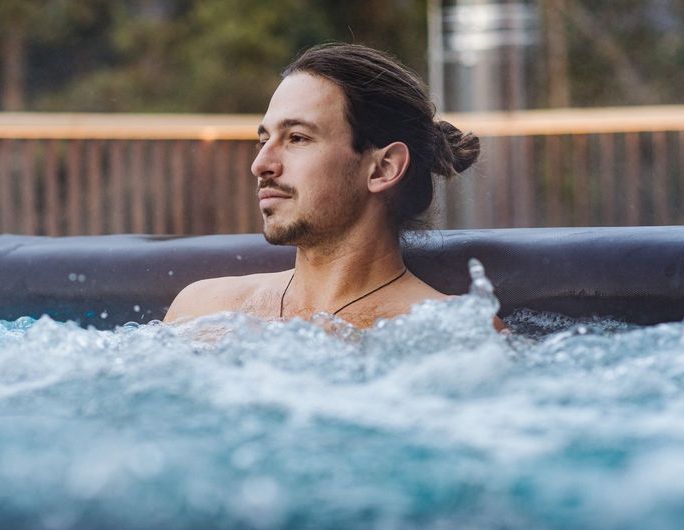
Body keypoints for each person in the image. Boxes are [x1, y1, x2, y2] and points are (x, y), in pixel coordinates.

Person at [164, 43, 482, 329]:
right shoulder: (201, 310)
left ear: (383, 168)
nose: (260, 164)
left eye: (297, 138)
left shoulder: (457, 333)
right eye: (263, 141)